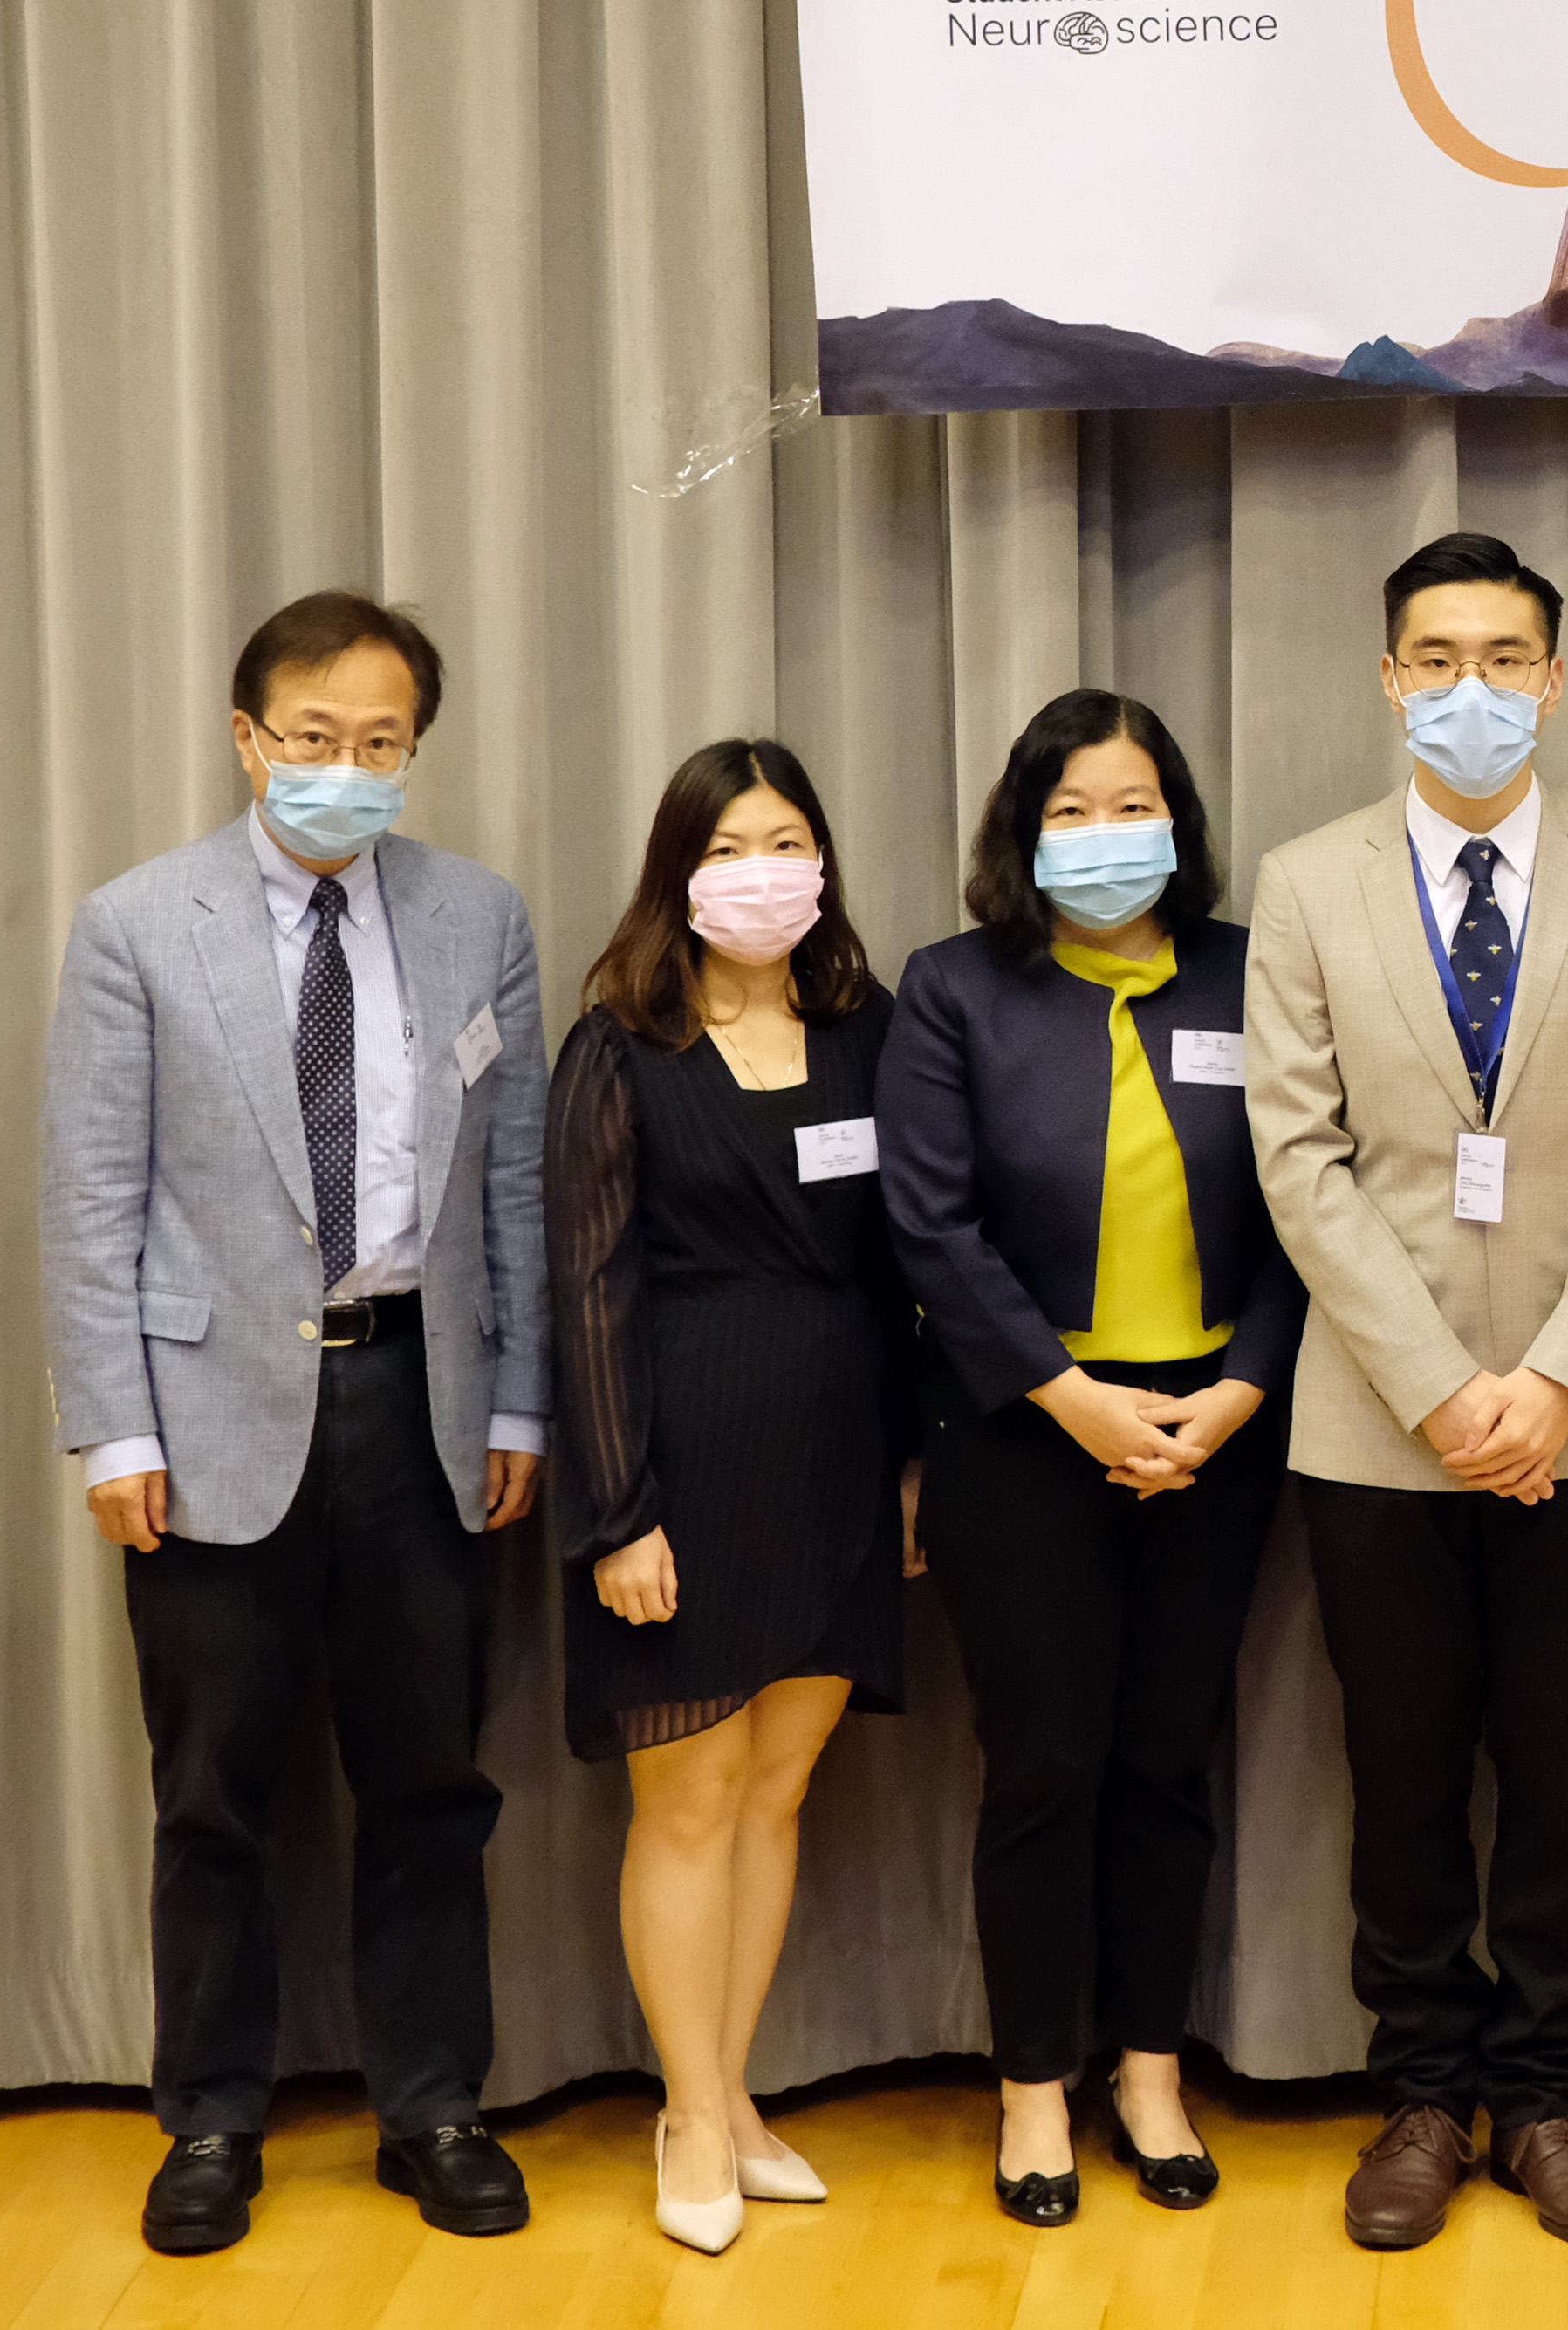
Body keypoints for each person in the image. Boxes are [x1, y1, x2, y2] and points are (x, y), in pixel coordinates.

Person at [36, 591, 547, 2256]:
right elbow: (90, 1196)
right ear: (249, 736)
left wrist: (520, 1389)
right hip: (207, 1412)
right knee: (215, 1789)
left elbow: (515, 1188)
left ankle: (434, 2101)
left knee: (429, 1777)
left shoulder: (480, 919)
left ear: (415, 752)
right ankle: (209, 2118)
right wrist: (112, 1429)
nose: (346, 768)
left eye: (381, 743)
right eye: (314, 739)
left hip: (422, 1393)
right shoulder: (137, 923)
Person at [1241, 532, 1568, 2255]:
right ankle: (1424, 2095)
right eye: (1435, 658)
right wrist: (1445, 1390)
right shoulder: (1308, 882)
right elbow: (1295, 1156)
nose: (1470, 690)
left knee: (1565, 1765)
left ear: (1554, 679)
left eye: (1504, 657)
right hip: (1378, 1427)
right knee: (1405, 1765)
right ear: (1387, 681)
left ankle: (1546, 2097)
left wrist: (1558, 1379)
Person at [878, 692, 1310, 2230]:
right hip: (1023, 1438)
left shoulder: (1255, 974)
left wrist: (1244, 1384)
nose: (1106, 835)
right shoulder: (955, 990)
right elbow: (928, 1224)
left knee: (1166, 1760)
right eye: (1072, 809)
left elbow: (1310, 1202)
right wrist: (1075, 1400)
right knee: (1045, 1765)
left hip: (1220, 1433)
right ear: (1025, 830)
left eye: (1133, 804)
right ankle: (1033, 2089)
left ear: (1179, 822)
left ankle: (1147, 2069)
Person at [543, 740, 920, 2252]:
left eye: (789, 839)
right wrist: (619, 1512)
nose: (762, 867)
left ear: (821, 863)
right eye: (730, 844)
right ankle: (687, 2111)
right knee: (687, 1795)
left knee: (779, 1786)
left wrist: (907, 1465)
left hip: (837, 1458)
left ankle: (738, 2086)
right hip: (680, 1461)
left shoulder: (869, 1028)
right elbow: (583, 1289)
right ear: (678, 873)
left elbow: (912, 1270)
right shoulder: (618, 1046)